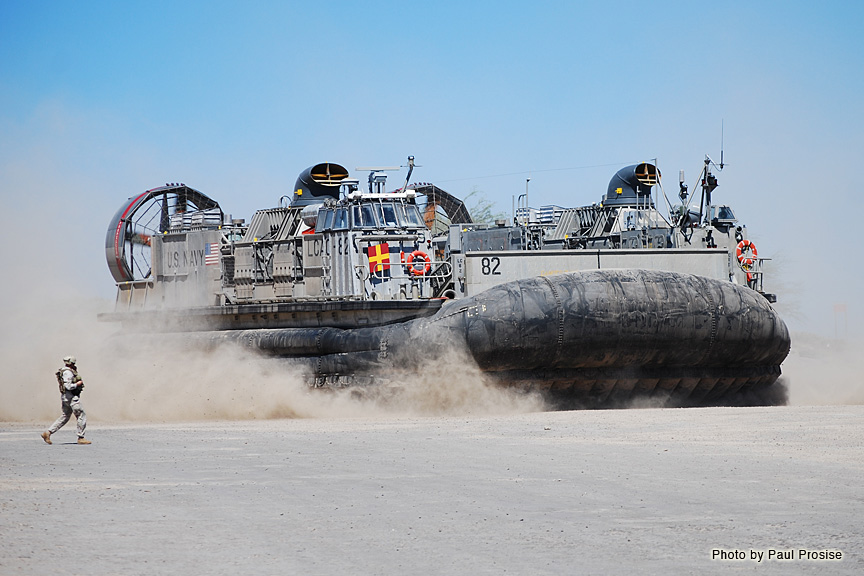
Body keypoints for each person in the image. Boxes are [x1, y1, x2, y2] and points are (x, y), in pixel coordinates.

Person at [41, 356, 91, 445]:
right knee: (81, 415)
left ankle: (48, 433)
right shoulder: (68, 372)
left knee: (65, 416)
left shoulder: (64, 371)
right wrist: (77, 384)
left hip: (65, 397)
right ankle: (81, 437)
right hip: (71, 397)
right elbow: (68, 386)